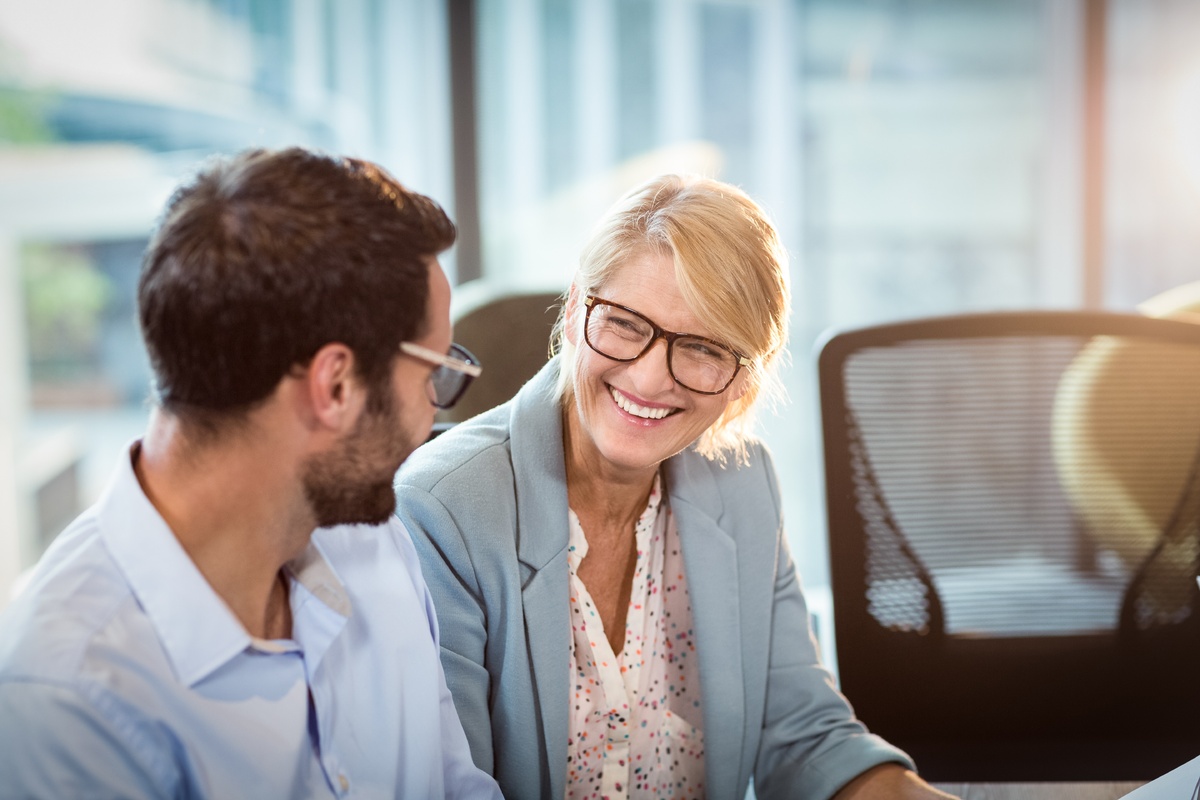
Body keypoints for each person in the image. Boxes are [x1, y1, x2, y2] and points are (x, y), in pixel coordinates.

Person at [394, 174, 959, 800]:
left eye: (701, 348)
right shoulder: (442, 511)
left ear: (746, 376)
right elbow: (448, 789)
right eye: (626, 324)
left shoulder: (742, 485)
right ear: (578, 304)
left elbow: (802, 737)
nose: (649, 378)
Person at [0, 147, 500, 799]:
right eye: (432, 370)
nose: (432, 409)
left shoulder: (372, 537)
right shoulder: (69, 696)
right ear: (337, 384)